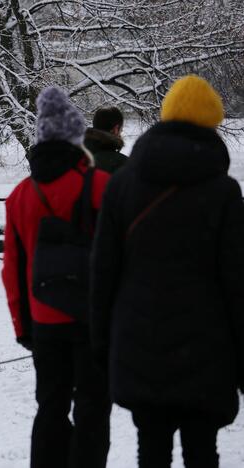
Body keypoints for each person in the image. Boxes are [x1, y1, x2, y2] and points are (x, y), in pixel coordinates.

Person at [90, 75, 244, 468]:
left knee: (151, 450)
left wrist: (101, 345)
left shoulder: (122, 186)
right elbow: (237, 284)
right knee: (202, 450)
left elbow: (103, 272)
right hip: (207, 348)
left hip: (142, 342)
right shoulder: (224, 193)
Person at [2, 87, 112, 468]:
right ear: (75, 139)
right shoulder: (99, 187)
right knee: (93, 409)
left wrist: (23, 325)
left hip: (44, 318)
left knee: (49, 406)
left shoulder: (20, 195)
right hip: (92, 319)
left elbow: (12, 269)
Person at [84, 106, 128, 173]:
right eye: (121, 129)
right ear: (116, 129)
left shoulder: (77, 157)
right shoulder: (123, 164)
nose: (121, 131)